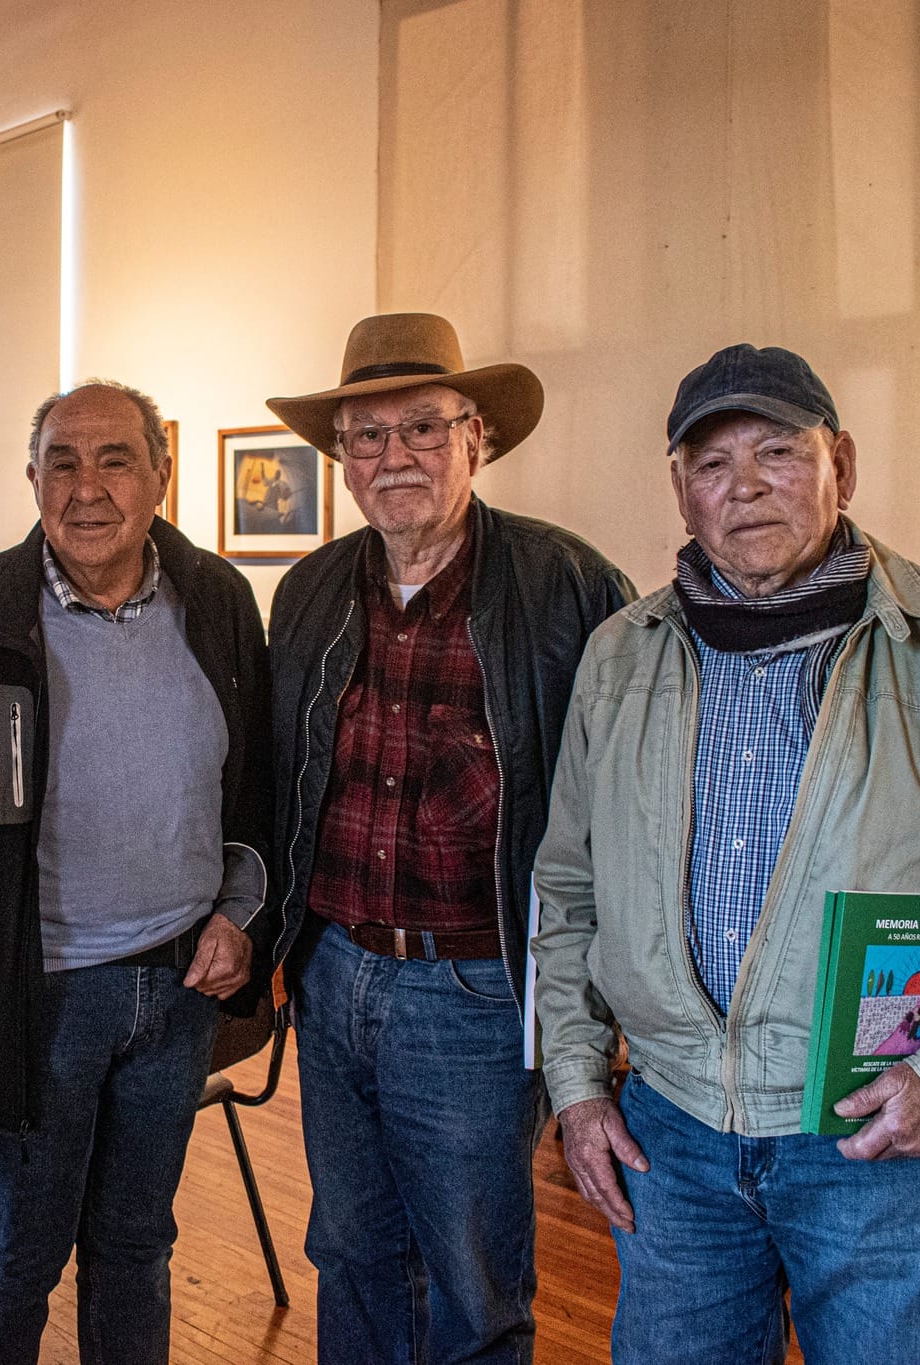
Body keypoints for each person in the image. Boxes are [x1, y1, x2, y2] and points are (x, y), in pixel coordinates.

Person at [531, 343, 920, 1363]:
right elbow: (569, 885)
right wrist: (575, 1081)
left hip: (883, 1144)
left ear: (840, 468)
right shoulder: (618, 655)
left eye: (777, 452)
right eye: (712, 464)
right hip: (670, 1138)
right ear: (679, 493)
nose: (746, 487)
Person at [265, 313, 632, 1363]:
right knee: (348, 1251)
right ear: (340, 462)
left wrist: (596, 1007)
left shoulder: (567, 588)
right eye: (366, 438)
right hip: (332, 975)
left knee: (471, 1279)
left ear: (478, 437)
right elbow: (277, 781)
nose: (395, 458)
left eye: (421, 429)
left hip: (479, 989)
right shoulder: (309, 592)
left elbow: (622, 807)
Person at [0, 380, 274, 1365]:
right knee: (13, 1251)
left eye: (115, 459)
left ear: (161, 473)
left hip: (179, 989)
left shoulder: (218, 602)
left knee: (136, 1244)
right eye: (60, 461)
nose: (86, 487)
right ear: (30, 478)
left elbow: (251, 792)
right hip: (33, 995)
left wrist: (240, 915)